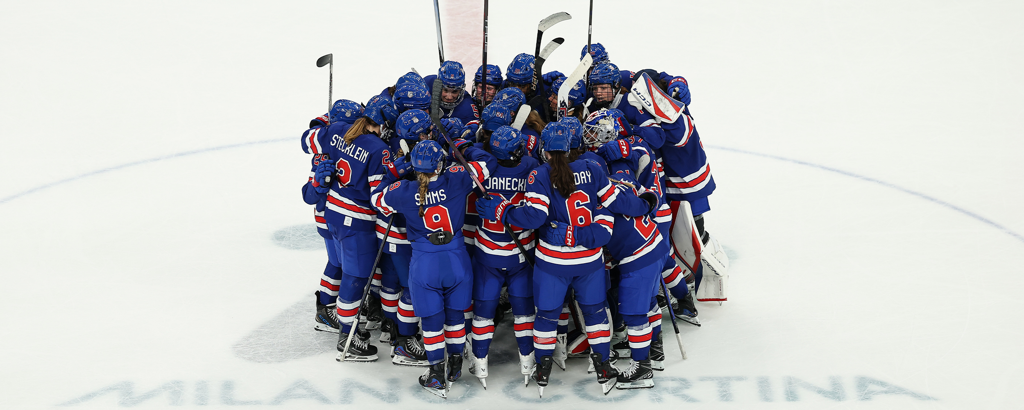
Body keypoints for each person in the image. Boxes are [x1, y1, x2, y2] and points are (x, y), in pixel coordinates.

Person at [475, 122, 655, 396]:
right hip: (589, 262)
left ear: (545, 151)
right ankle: (603, 366)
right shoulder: (593, 168)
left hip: (552, 263)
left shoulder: (540, 174)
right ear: (572, 146)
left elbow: (535, 217)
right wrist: (645, 204)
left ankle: (543, 368)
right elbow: (616, 203)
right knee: (595, 313)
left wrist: (503, 210)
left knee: (546, 316)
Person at [371, 139, 496, 398]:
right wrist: (462, 147)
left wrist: (394, 172)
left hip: (425, 261)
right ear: (440, 163)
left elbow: (377, 199)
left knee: (430, 321)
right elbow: (488, 163)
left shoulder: (403, 190)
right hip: (457, 259)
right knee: (455, 316)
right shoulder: (456, 177)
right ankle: (455, 366)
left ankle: (437, 374)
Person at [318, 97, 394, 363]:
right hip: (357, 222)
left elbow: (310, 141)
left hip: (332, 213)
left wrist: (320, 123)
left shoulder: (339, 129)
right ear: (379, 123)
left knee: (347, 273)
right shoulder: (378, 149)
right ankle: (347, 338)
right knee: (354, 279)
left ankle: (348, 329)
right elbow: (378, 198)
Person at [467, 126, 540, 388]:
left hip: (489, 252)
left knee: (483, 312)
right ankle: (527, 361)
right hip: (521, 251)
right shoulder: (531, 165)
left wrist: (468, 147)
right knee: (524, 313)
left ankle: (480, 360)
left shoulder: (482, 169)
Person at [301, 99, 363, 333]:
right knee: (338, 264)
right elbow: (308, 195)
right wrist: (319, 183)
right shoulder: (323, 154)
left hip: (339, 216)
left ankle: (331, 306)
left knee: (339, 263)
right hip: (330, 217)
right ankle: (326, 309)